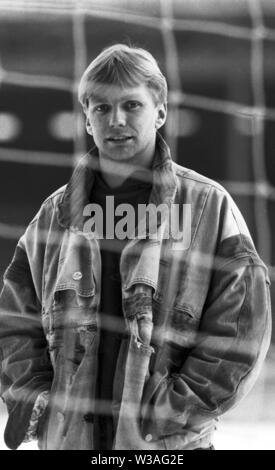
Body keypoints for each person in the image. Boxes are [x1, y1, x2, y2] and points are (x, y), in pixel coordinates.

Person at [0, 43, 271, 451]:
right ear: (87, 119)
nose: (117, 120)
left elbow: (243, 327)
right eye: (102, 109)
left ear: (160, 112)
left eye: (132, 105)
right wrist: (38, 399)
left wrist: (171, 411)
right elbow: (13, 320)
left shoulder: (206, 207)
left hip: (166, 448)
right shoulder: (53, 216)